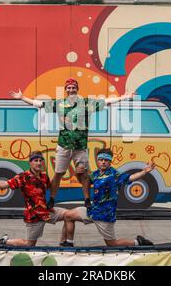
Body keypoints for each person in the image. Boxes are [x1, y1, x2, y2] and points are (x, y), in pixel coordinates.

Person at [10, 78, 134, 209]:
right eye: (68, 88)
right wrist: (22, 97)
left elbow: (106, 102)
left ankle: (87, 200)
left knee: (84, 174)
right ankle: (52, 199)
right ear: (66, 90)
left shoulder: (86, 103)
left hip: (80, 148)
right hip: (63, 146)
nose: (71, 90)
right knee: (58, 173)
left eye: (73, 87)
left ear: (77, 89)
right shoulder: (60, 104)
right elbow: (39, 104)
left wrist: (122, 98)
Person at [60, 148, 155, 247]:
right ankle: (69, 243)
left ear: (110, 162)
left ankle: (139, 242)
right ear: (97, 162)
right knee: (68, 215)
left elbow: (129, 178)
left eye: (106, 160)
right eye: (101, 160)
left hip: (105, 215)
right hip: (92, 211)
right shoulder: (95, 174)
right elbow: (85, 182)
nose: (103, 162)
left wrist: (144, 172)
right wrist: (76, 173)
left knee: (112, 243)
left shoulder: (115, 174)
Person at [0, 151, 69, 246]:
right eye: (36, 160)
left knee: (69, 215)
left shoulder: (44, 177)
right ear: (30, 162)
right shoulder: (23, 177)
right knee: (29, 244)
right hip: (33, 215)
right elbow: (4, 185)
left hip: (46, 211)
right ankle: (5, 242)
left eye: (41, 160)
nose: (39, 163)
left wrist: (58, 174)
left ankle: (64, 243)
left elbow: (52, 186)